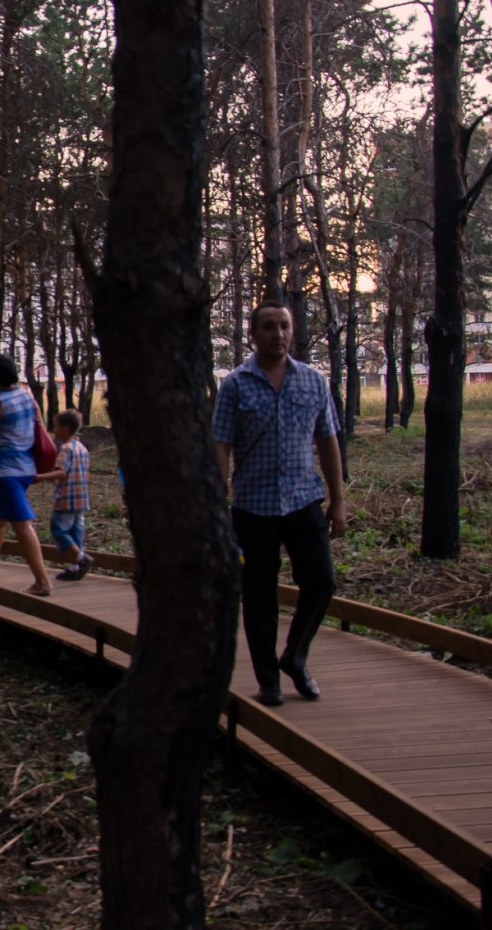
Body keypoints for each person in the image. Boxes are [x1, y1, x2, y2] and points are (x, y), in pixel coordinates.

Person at [214, 302, 348, 707]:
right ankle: (268, 680)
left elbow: (327, 440)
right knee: (258, 597)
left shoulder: (312, 381)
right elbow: (220, 444)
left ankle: (296, 655)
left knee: (322, 581)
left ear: (292, 331)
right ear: (253, 333)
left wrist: (338, 500)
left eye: (284, 326)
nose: (278, 334)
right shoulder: (235, 385)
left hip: (304, 499)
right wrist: (220, 503)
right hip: (253, 508)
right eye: (269, 327)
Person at [0, 354, 53, 596]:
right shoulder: (27, 396)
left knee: (22, 525)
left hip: (7, 472)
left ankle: (43, 581)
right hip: (27, 467)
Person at [37, 409, 93, 581]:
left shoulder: (66, 449)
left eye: (56, 427)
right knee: (76, 533)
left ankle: (81, 559)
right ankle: (74, 567)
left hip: (66, 498)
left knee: (59, 530)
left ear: (66, 429)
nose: (54, 431)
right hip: (81, 498)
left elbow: (61, 473)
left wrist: (38, 477)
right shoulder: (82, 448)